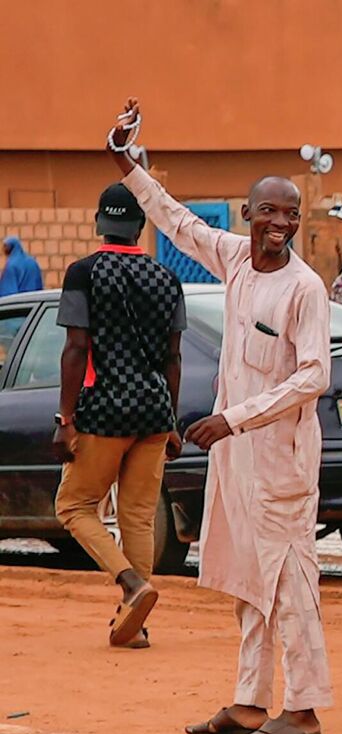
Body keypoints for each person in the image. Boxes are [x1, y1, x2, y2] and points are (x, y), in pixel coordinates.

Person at [111, 99, 334, 734]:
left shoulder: (305, 288)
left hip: (280, 462)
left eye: (290, 214)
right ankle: (249, 701)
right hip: (237, 463)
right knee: (246, 580)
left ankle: (306, 710)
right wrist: (127, 163)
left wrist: (233, 419)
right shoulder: (234, 258)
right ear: (249, 215)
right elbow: (175, 221)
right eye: (269, 211)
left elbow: (314, 376)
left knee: (290, 581)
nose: (280, 223)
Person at [51, 181, 186, 650]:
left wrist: (65, 417)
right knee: (138, 517)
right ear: (140, 228)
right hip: (153, 412)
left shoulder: (83, 273)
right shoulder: (167, 279)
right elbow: (174, 357)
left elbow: (75, 346)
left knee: (73, 506)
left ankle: (130, 584)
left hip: (104, 409)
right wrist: (169, 420)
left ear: (98, 224)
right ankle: (137, 625)